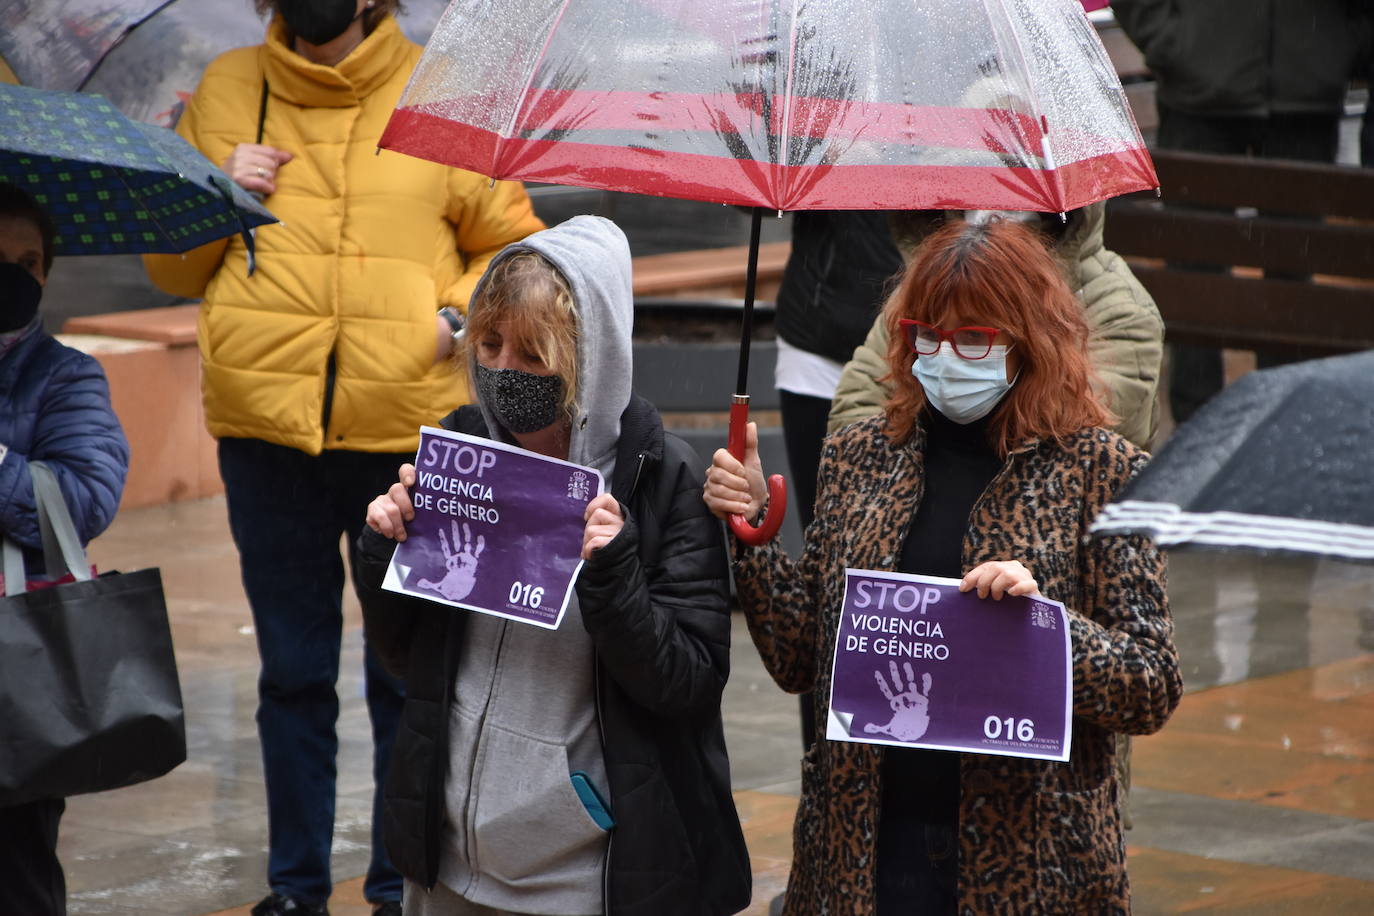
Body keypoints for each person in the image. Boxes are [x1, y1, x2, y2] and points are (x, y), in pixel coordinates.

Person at [141, 2, 545, 913]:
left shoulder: (443, 94)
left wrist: (455, 314)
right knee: (291, 674)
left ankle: (397, 885)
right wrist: (212, 185)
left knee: (407, 672)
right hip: (264, 435)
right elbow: (171, 269)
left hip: (403, 436)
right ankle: (295, 890)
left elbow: (514, 241)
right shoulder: (231, 87)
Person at [705, 218, 1182, 914]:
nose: (945, 356)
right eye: (926, 336)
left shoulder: (1101, 473)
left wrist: (1044, 629)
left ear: (1030, 340)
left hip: (1033, 859)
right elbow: (802, 657)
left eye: (973, 339)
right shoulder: (860, 456)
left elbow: (1151, 684)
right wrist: (752, 537)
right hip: (865, 853)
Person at [354, 216, 752, 916]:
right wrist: (387, 549)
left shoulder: (662, 479)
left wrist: (615, 574)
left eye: (534, 355)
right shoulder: (461, 447)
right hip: (446, 856)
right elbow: (403, 659)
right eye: (489, 344)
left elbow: (687, 683)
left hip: (580, 873)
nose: (505, 371)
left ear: (587, 359)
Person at [1111, 0, 1372, 423]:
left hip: (1305, 85)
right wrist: (1174, 42)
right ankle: (1195, 421)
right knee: (1192, 266)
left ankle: (1285, 418)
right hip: (1199, 87)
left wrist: (1342, 45)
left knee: (1294, 266)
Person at [0, 183, 130, 916]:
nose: (15, 275)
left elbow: (81, 504)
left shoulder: (67, 376)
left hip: (16, 671)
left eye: (30, 260)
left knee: (16, 873)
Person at [828, 204, 1164, 450]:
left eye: (974, 337)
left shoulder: (1120, 306)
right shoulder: (929, 284)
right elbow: (858, 402)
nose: (993, 214)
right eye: (929, 336)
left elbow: (1102, 427)